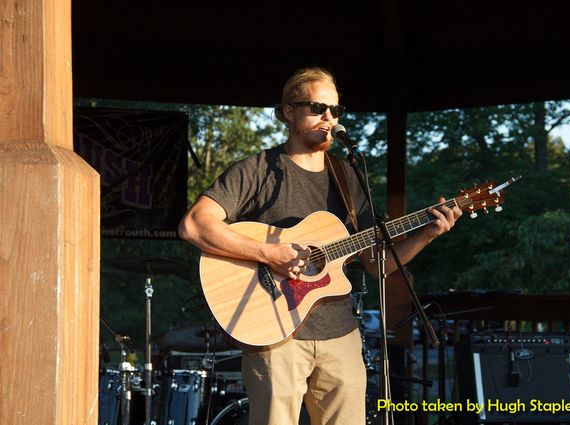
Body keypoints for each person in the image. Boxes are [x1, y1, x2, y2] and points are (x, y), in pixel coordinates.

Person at [178, 67, 462, 425]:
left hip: (340, 334)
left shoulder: (348, 177)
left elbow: (377, 265)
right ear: (288, 112)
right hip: (275, 333)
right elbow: (194, 224)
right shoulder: (257, 171)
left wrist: (426, 234)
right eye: (317, 108)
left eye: (335, 110)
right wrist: (270, 254)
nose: (329, 118)